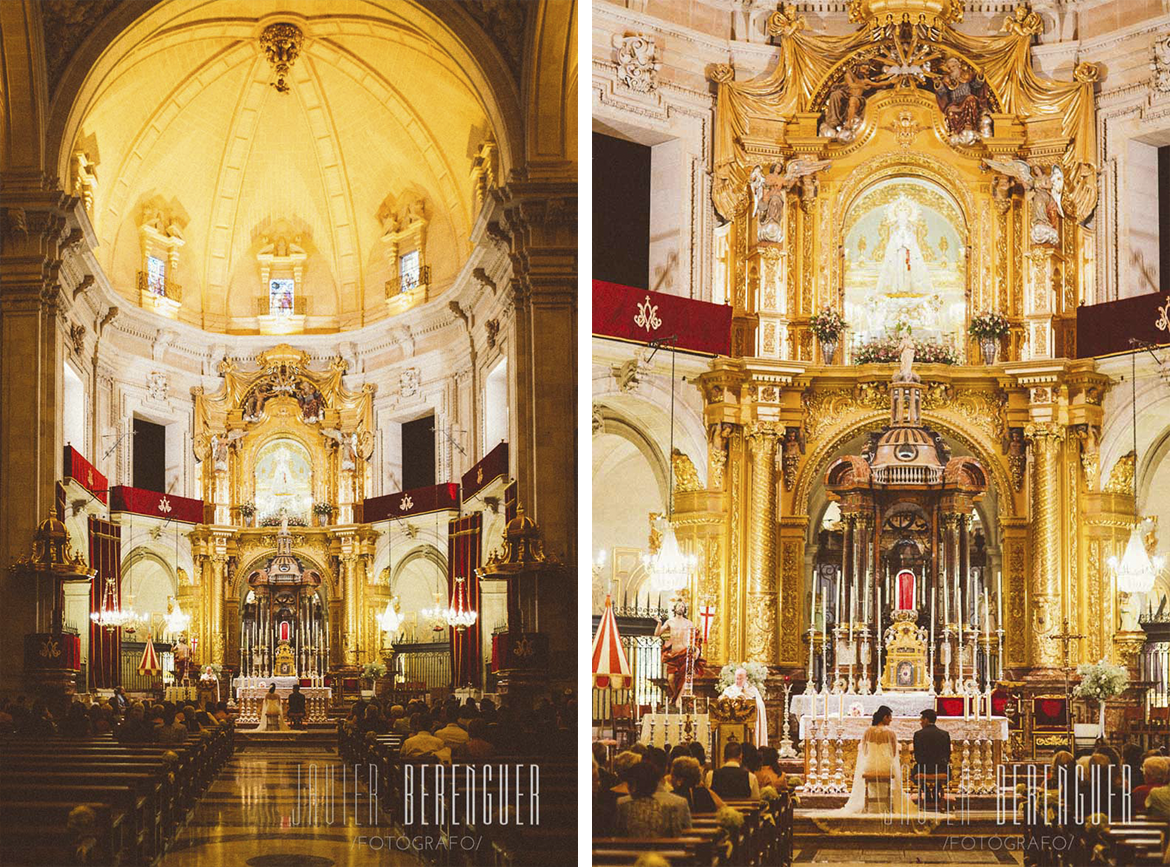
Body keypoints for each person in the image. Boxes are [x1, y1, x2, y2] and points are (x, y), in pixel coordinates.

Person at [838, 706, 915, 815]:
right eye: (889, 717)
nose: (891, 720)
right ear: (884, 717)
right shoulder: (891, 733)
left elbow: (864, 751)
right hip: (885, 767)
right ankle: (886, 803)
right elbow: (893, 754)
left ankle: (872, 804)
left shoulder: (868, 732)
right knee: (890, 770)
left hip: (870, 766)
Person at [615, 760, 692, 837]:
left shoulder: (622, 803)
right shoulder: (674, 804)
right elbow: (680, 834)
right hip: (667, 848)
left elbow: (618, 832)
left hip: (630, 848)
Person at [718, 667, 768, 746]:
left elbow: (760, 704)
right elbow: (721, 702)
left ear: (746, 678)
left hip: (748, 724)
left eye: (740, 679)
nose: (738, 681)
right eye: (737, 678)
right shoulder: (729, 690)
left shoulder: (752, 690)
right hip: (732, 723)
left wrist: (748, 700)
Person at [912, 709, 951, 811]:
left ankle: (926, 791)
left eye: (921, 719)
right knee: (946, 769)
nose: (920, 722)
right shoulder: (944, 734)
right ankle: (936, 789)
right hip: (940, 768)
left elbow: (917, 756)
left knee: (915, 769)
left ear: (926, 719)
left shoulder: (918, 734)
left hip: (923, 768)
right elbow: (947, 755)